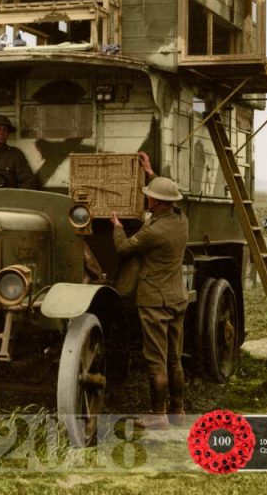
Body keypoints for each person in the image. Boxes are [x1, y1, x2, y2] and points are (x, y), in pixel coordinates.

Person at [110, 165, 188, 430]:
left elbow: (122, 248)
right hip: (177, 297)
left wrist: (117, 226)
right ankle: (178, 411)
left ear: (155, 202)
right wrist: (151, 174)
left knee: (156, 359)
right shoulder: (181, 219)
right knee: (174, 357)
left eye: (150, 195)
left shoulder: (153, 231)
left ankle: (158, 415)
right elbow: (166, 194)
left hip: (155, 301)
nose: (147, 198)